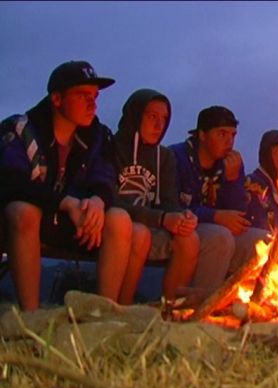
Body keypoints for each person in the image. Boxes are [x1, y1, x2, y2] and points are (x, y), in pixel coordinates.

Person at [0, 60, 132, 310]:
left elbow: (106, 174)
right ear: (57, 99)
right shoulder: (21, 129)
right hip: (27, 224)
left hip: (74, 224)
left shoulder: (96, 135)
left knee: (119, 219)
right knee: (23, 211)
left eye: (94, 96)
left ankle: (104, 315)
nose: (92, 103)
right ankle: (31, 316)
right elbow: (11, 181)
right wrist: (64, 202)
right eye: (82, 95)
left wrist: (97, 201)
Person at [112, 89, 200, 304]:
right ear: (135, 115)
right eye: (152, 117)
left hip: (150, 225)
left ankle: (170, 308)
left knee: (189, 238)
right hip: (114, 225)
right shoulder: (111, 148)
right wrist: (160, 219)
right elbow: (109, 200)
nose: (159, 126)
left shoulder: (165, 156)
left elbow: (169, 201)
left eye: (164, 119)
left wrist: (182, 216)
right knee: (139, 233)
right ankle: (122, 307)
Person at [171, 106, 268, 289]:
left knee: (263, 240)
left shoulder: (231, 163)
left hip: (218, 226)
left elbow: (237, 213)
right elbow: (172, 205)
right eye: (222, 134)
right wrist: (215, 216)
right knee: (221, 237)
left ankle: (245, 303)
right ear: (202, 135)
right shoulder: (177, 157)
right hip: (184, 227)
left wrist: (232, 181)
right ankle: (202, 303)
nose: (229, 142)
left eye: (233, 135)